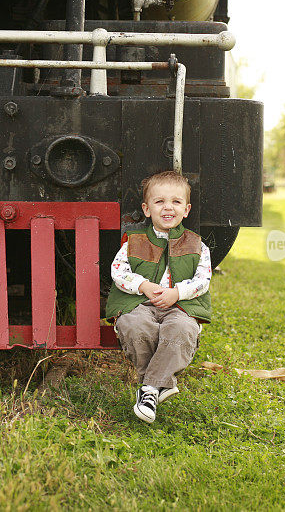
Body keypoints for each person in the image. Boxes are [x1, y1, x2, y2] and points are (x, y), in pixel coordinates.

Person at [106, 171, 212, 423]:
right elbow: (118, 271)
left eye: (175, 202)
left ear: (186, 210)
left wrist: (177, 293)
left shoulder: (197, 245)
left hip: (181, 307)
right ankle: (158, 386)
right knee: (134, 326)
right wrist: (142, 286)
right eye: (159, 201)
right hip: (139, 304)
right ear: (146, 209)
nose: (168, 208)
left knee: (181, 330)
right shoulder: (133, 242)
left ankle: (148, 389)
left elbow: (202, 280)